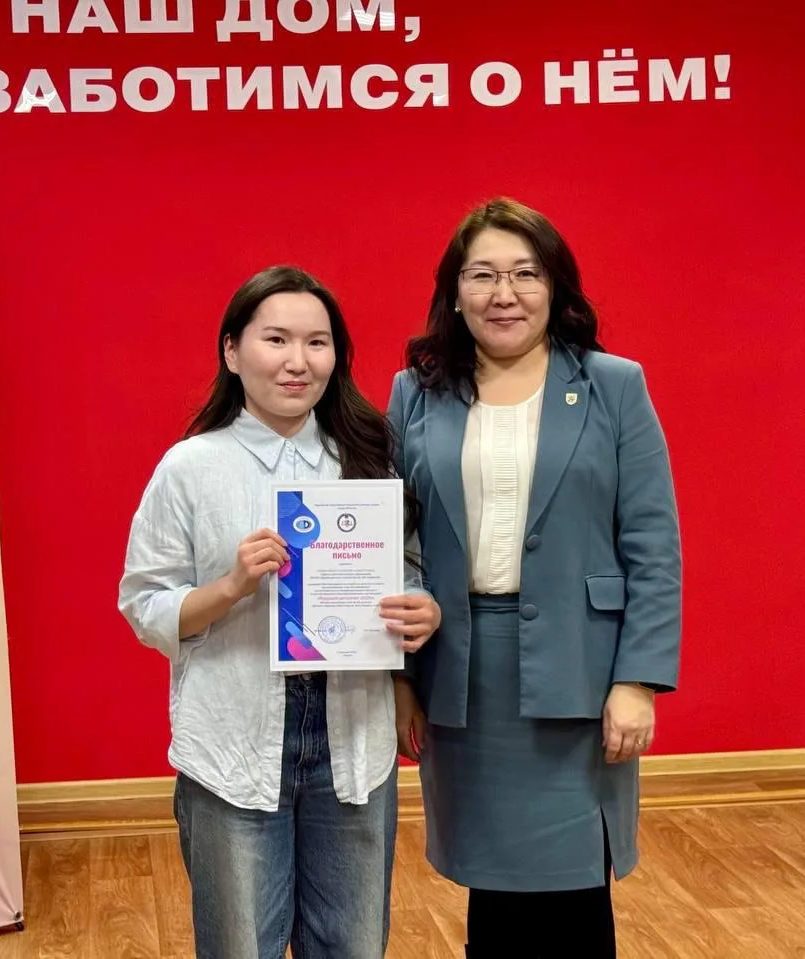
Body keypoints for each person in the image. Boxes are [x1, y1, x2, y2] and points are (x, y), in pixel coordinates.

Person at [387, 198, 683, 958]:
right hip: (462, 675)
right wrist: (398, 677)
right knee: (492, 885)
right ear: (455, 292)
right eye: (482, 275)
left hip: (579, 675)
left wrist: (639, 680)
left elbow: (652, 544)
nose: (504, 293)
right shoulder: (416, 391)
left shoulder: (614, 385)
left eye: (525, 273)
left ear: (555, 286)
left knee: (574, 886)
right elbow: (396, 542)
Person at [118, 265, 442, 959]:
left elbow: (410, 571)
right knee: (241, 947)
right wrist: (232, 585)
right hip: (233, 740)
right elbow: (144, 605)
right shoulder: (190, 467)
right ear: (233, 352)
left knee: (354, 945)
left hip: (353, 736)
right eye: (276, 339)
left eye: (317, 343)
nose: (298, 361)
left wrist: (421, 610)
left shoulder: (368, 458)